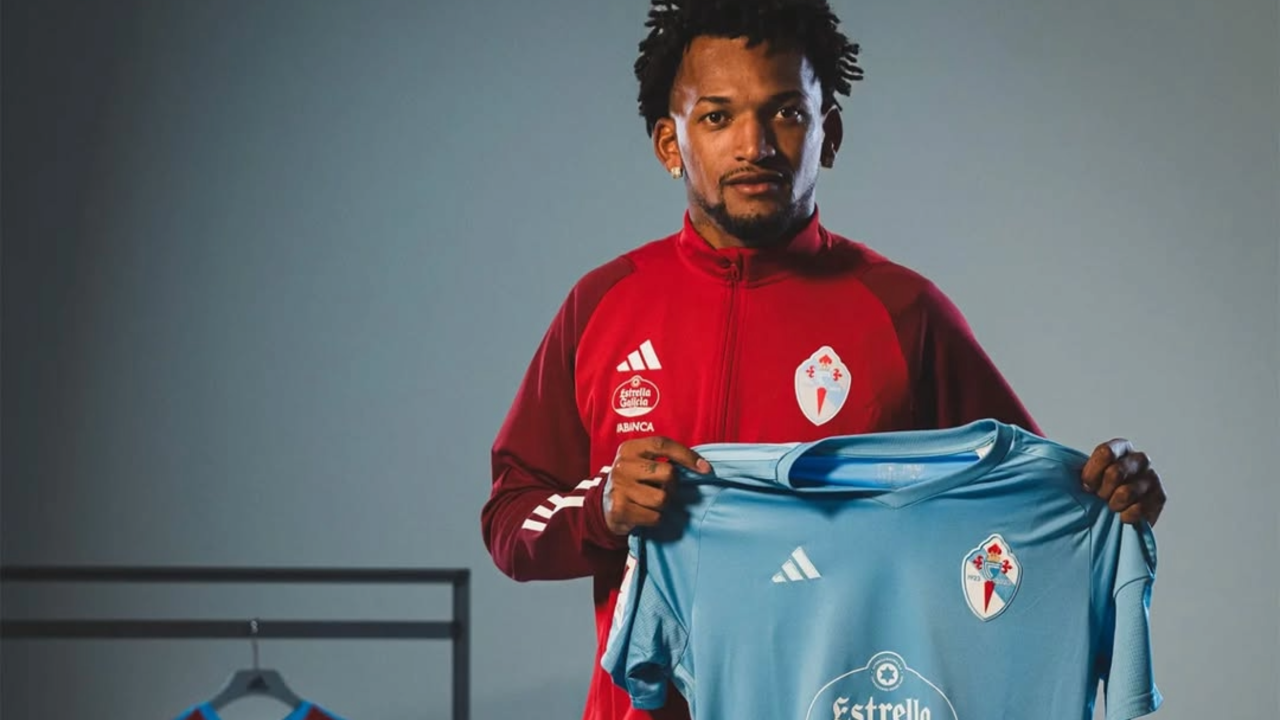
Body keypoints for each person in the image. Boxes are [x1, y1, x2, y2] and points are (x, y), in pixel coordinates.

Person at [480, 2, 1167, 719]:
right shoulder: (603, 306)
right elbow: (508, 521)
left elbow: (1023, 511)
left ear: (827, 134)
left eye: (786, 113)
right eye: (716, 116)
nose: (754, 145)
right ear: (669, 142)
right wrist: (601, 509)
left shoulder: (902, 312)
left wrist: (1112, 497)